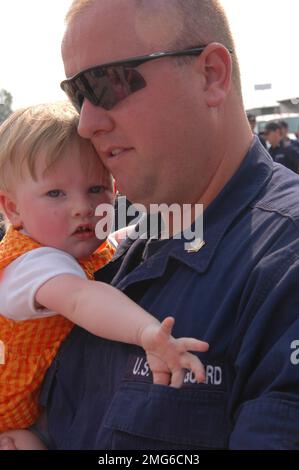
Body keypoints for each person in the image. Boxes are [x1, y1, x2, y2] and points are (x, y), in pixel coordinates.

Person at [4, 0, 299, 450]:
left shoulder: (284, 263)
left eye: (106, 83)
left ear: (211, 75)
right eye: (76, 95)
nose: (85, 123)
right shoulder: (116, 243)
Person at [0, 102, 209, 448]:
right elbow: (83, 299)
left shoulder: (76, 248)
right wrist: (146, 331)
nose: (82, 206)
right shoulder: (31, 264)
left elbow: (121, 239)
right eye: (56, 193)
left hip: (30, 410)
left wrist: (180, 218)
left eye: (96, 189)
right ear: (13, 209)